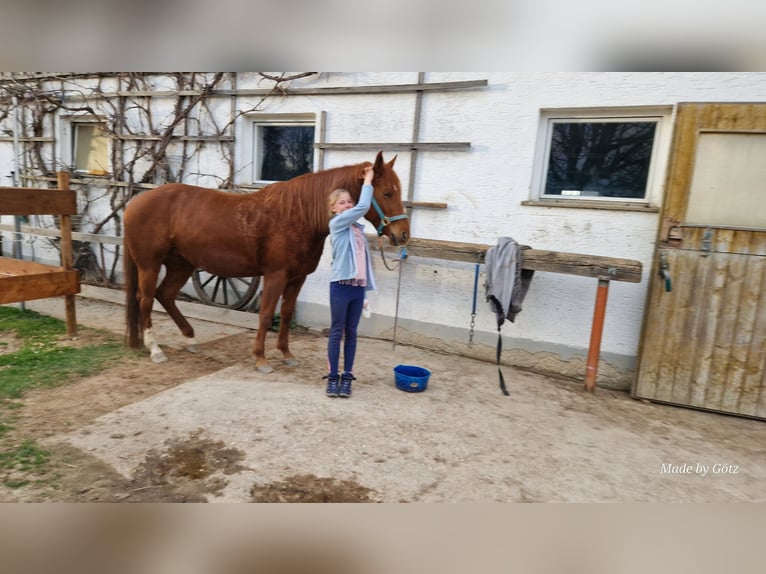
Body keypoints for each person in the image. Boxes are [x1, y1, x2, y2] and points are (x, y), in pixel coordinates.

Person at [324, 165, 377, 398]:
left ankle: (347, 376)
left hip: (356, 289)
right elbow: (365, 206)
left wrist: (364, 292)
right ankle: (332, 376)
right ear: (334, 209)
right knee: (337, 332)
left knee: (352, 333)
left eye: (349, 202)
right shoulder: (337, 225)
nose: (347, 205)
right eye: (342, 202)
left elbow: (362, 262)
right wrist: (369, 179)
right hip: (340, 287)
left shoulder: (358, 230)